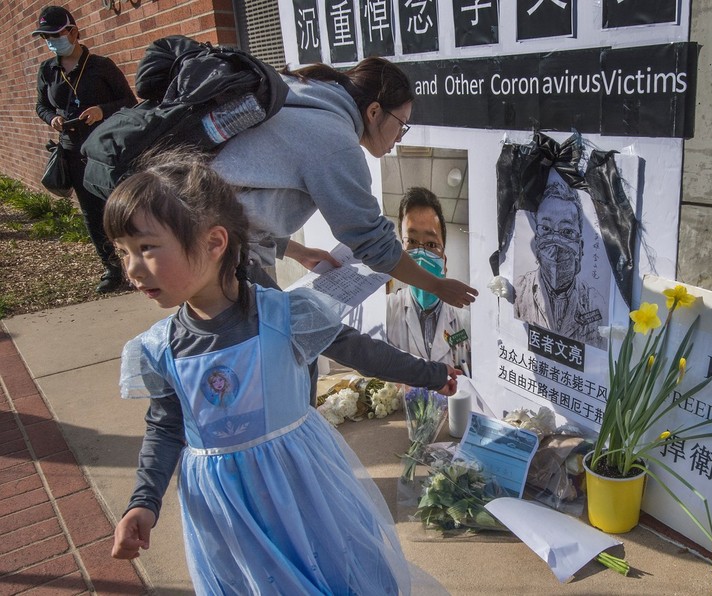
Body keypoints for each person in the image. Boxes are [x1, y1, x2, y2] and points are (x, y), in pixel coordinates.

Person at [107, 149, 456, 594]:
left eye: (147, 248)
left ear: (214, 243)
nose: (132, 270)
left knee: (337, 575)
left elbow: (361, 352)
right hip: (226, 514)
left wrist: (429, 372)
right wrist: (143, 501)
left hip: (305, 491)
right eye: (123, 252)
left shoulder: (285, 316)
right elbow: (166, 425)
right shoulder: (159, 348)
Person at [211, 56, 478, 309]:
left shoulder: (309, 92)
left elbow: (250, 202)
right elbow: (374, 243)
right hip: (213, 254)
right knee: (298, 336)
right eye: (401, 125)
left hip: (199, 231)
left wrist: (297, 251)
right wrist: (437, 285)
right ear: (374, 112)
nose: (399, 137)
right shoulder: (336, 142)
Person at [33, 6, 136, 293]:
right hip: (71, 150)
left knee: (120, 204)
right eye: (46, 37)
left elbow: (130, 102)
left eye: (56, 34)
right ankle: (111, 268)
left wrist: (103, 111)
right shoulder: (47, 70)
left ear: (73, 31)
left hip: (107, 150)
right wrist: (51, 118)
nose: (51, 41)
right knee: (91, 212)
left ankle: (136, 261)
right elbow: (41, 105)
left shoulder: (102, 66)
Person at [387, 187, 472, 373]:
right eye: (411, 241)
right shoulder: (386, 311)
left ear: (444, 262)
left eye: (432, 244)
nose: (421, 254)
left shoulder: (464, 321)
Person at [514, 181, 606, 349]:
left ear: (580, 246)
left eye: (566, 232)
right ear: (537, 240)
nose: (556, 242)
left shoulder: (595, 302)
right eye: (546, 229)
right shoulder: (519, 291)